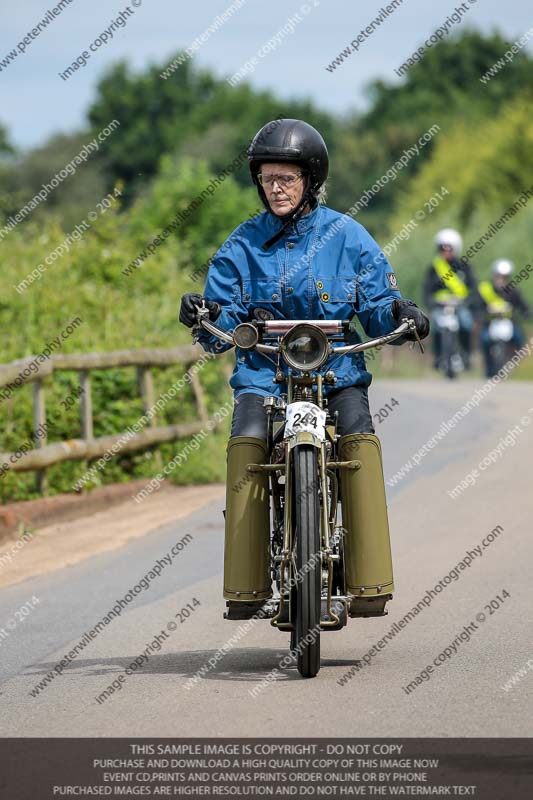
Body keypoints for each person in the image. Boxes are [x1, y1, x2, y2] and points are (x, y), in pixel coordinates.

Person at [180, 118, 429, 611]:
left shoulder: (348, 236)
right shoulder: (241, 245)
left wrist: (399, 312)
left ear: (310, 180)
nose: (275, 189)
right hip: (264, 376)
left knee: (358, 434)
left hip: (336, 374)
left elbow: (377, 301)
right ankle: (245, 585)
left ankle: (369, 580)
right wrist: (202, 314)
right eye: (267, 179)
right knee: (247, 440)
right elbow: (220, 323)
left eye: (286, 179)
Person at [423, 228, 479, 370]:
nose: (446, 252)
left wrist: (470, 301)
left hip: (460, 305)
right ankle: (437, 357)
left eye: (449, 249)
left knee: (466, 323)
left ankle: (466, 355)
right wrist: (429, 302)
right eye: (443, 248)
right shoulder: (434, 268)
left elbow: (473, 286)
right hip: (440, 307)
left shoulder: (464, 267)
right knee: (434, 327)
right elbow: (427, 288)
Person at [478, 259, 530, 377]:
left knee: (518, 338)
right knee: (484, 339)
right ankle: (488, 364)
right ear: (494, 276)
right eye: (498, 276)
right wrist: (481, 313)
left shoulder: (513, 291)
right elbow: (478, 305)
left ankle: (512, 361)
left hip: (509, 323)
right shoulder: (486, 289)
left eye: (504, 277)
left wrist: (526, 313)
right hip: (491, 323)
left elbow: (523, 305)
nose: (501, 279)